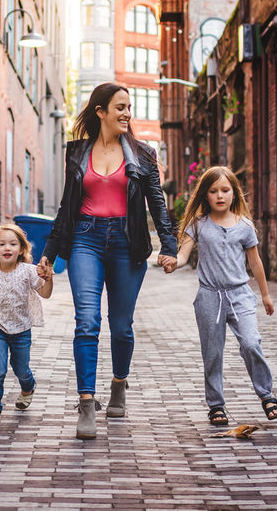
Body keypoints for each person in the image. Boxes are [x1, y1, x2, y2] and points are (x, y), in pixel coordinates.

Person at [38, 82, 178, 439]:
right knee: (86, 320)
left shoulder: (143, 155)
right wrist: (50, 253)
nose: (127, 113)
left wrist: (169, 245)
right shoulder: (77, 153)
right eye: (120, 107)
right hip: (85, 237)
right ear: (100, 111)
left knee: (121, 326)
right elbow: (66, 207)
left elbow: (157, 203)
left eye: (129, 107)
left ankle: (119, 382)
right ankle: (86, 403)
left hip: (126, 243)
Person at [163, 166, 277, 425]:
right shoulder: (198, 225)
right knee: (213, 353)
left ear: (234, 193)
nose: (220, 196)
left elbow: (256, 263)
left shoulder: (244, 226)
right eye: (213, 191)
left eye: (225, 190)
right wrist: (174, 262)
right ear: (205, 195)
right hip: (209, 297)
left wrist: (265, 295)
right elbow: (184, 254)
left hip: (240, 295)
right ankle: (216, 405)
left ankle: (267, 395)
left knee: (251, 343)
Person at [0, 223, 53, 424]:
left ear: (22, 249)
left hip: (22, 329)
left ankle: (28, 386)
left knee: (21, 368)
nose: (7, 248)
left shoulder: (29, 271)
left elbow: (45, 294)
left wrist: (48, 279)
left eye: (13, 244)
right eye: (2, 244)